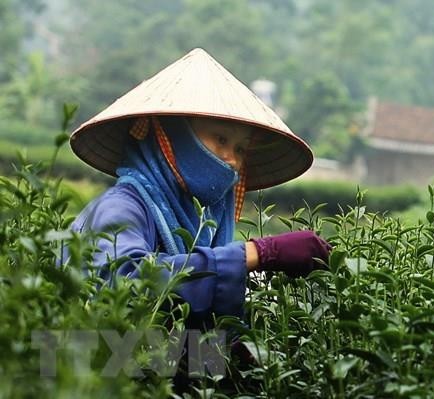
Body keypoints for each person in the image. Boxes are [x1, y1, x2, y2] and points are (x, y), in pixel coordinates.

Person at [65, 48, 331, 327]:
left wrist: (230, 353)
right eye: (220, 139)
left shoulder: (203, 226)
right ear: (172, 136)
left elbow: (190, 346)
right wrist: (258, 253)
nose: (231, 160)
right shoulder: (121, 207)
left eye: (240, 148)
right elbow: (125, 285)